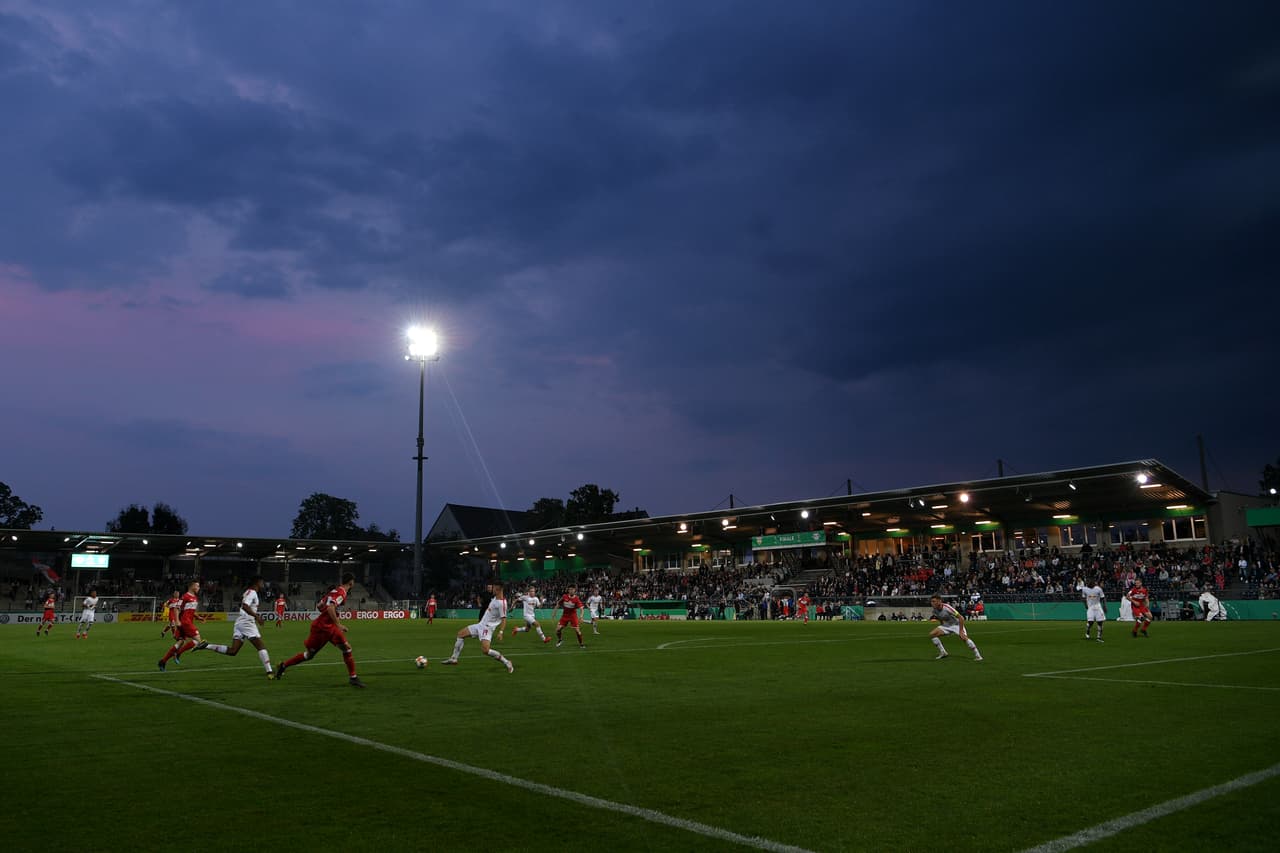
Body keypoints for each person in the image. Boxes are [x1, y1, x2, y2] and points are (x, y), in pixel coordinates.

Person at [274, 573, 365, 687]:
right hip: (322, 629)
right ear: (351, 582)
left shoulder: (334, 591)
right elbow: (331, 608)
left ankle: (353, 677)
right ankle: (283, 665)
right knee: (309, 655)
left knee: (347, 648)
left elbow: (319, 606)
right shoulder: (342, 592)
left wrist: (332, 619)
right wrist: (338, 624)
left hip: (330, 627)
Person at [192, 576, 274, 679]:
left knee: (233, 651)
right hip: (247, 623)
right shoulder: (252, 592)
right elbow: (245, 606)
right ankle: (269, 671)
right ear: (257, 582)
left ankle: (206, 646)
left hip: (240, 622)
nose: (263, 584)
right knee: (261, 646)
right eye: (262, 582)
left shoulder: (248, 592)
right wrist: (257, 617)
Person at [441, 582, 513, 672]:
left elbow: (504, 619)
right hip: (480, 625)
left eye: (493, 588)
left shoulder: (502, 603)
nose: (491, 589)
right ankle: (454, 658)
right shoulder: (495, 598)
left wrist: (501, 632)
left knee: (485, 650)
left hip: (487, 628)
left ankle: (506, 662)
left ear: (498, 590)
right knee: (460, 634)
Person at [159, 580, 204, 671]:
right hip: (185, 622)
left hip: (187, 622)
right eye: (197, 586)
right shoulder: (185, 597)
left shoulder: (194, 597)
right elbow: (176, 609)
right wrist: (177, 621)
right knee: (198, 640)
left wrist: (198, 617)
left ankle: (163, 661)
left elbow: (191, 610)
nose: (199, 588)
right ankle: (178, 653)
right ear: (192, 586)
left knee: (180, 642)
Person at [927, 595, 982, 661]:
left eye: (934, 601)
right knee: (932, 634)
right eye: (931, 601)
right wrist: (942, 626)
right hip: (947, 625)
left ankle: (978, 656)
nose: (932, 603)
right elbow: (940, 617)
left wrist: (961, 631)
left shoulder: (947, 607)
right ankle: (943, 652)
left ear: (939, 601)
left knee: (964, 638)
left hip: (957, 625)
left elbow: (961, 617)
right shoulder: (934, 610)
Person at [1081, 578, 1106, 642]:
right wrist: (1085, 605)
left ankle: (1099, 637)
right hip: (1090, 607)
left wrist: (1104, 606)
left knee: (1100, 622)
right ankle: (1088, 630)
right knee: (1091, 622)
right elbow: (1083, 597)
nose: (1089, 584)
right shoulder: (1084, 589)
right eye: (1088, 583)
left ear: (1093, 583)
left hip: (1098, 606)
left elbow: (1103, 597)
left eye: (1090, 583)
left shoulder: (1098, 589)